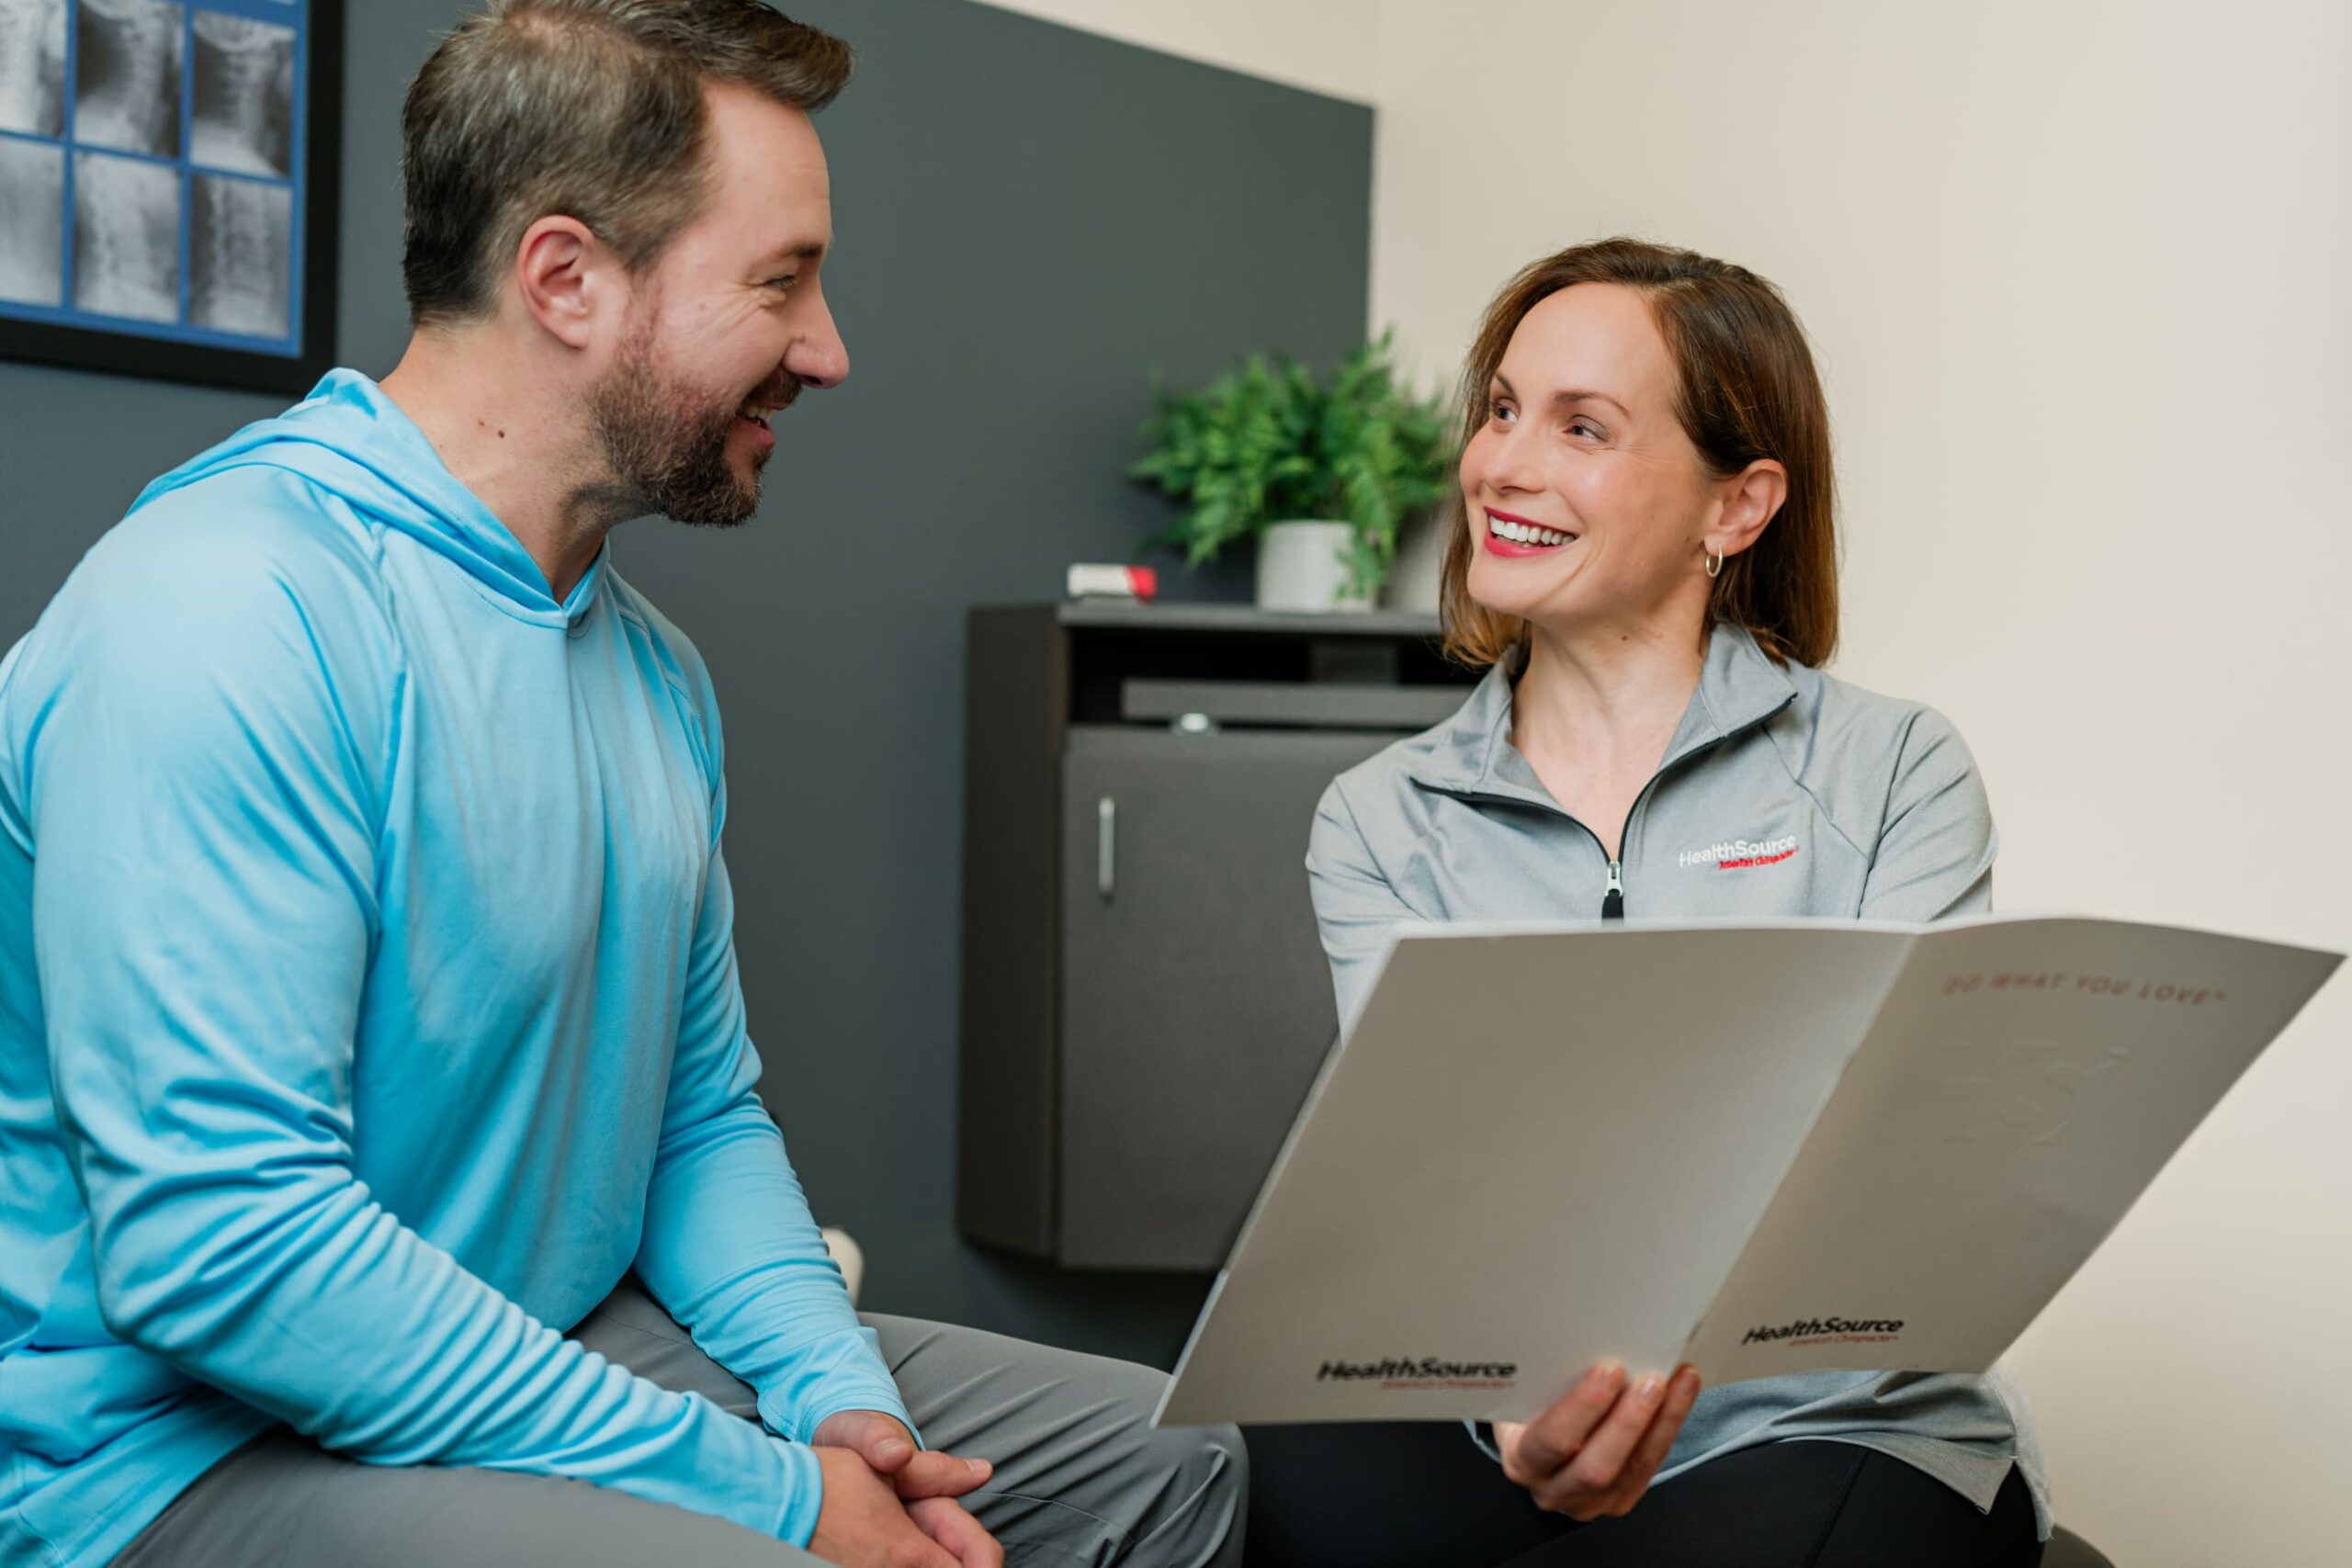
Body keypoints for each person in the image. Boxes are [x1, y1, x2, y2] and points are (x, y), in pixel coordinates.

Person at [0, 5, 1244, 1566]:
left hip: (546, 1348)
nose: (830, 351)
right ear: (567, 279)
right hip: (181, 1456)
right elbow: (225, 1250)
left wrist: (842, 1409)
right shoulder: (227, 610)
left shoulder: (651, 671)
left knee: (1163, 1461)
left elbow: (695, 1121)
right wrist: (776, 1496)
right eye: (782, 282)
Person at [1243, 238, 2048, 1567]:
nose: (1503, 464)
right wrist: (1522, 1419)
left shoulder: (1892, 769)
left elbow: (1887, 1190)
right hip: (1502, 1417)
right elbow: (1434, 1187)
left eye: (1583, 428)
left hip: (1824, 1423)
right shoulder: (1380, 817)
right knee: (1245, 1463)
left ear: (1734, 509)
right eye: (1502, 410)